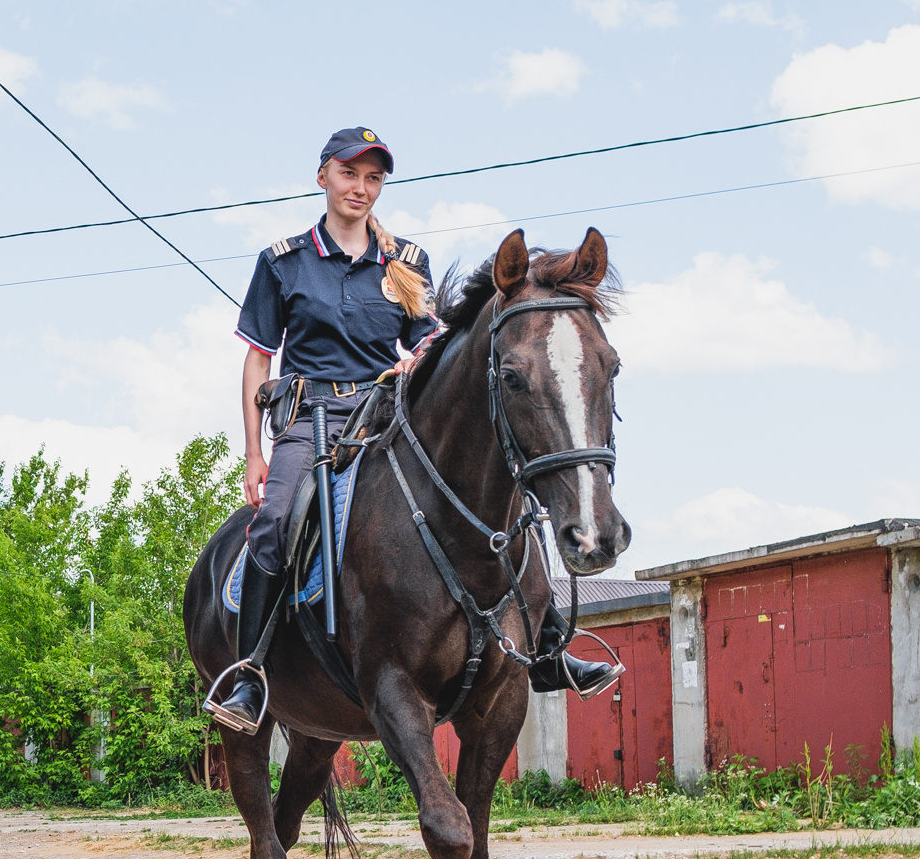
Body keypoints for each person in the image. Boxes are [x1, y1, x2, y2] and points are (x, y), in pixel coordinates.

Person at [208, 128, 615, 734]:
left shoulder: (407, 261)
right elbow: (257, 359)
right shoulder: (283, 261)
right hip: (310, 420)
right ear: (324, 177)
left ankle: (549, 644)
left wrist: (415, 358)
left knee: (491, 501)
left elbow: (430, 336)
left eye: (373, 178)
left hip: (385, 412)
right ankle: (250, 675)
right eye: (350, 175)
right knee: (274, 523)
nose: (361, 188)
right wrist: (252, 452)